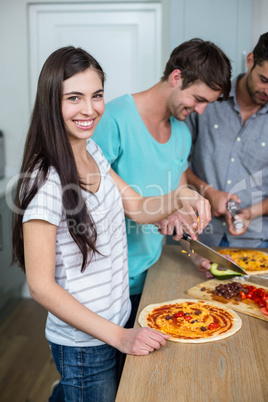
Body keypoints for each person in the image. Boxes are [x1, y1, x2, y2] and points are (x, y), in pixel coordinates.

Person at [12, 46, 210, 402]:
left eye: (97, 95)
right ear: (51, 103)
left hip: (113, 322)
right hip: (85, 345)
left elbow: (135, 206)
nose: (89, 109)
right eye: (74, 98)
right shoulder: (45, 181)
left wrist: (179, 198)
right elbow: (40, 287)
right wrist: (120, 337)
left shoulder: (91, 153)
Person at [92, 38, 232, 324]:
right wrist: (156, 212)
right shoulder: (114, 118)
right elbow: (89, 199)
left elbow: (177, 202)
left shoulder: (181, 133)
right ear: (176, 77)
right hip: (106, 286)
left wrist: (193, 252)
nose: (201, 111)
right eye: (199, 99)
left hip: (150, 277)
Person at [186, 32, 268, 256]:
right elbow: (175, 163)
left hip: (257, 242)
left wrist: (251, 212)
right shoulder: (207, 100)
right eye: (264, 80)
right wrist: (208, 192)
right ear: (250, 60)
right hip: (198, 235)